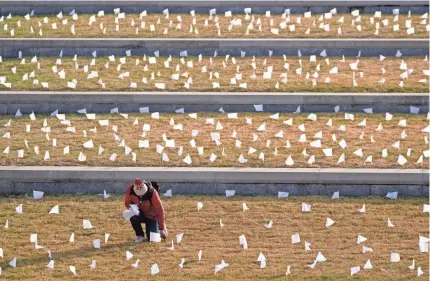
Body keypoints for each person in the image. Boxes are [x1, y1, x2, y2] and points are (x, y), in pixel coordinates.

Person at [124, 178, 167, 244]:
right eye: (139, 194)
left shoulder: (152, 192)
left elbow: (159, 210)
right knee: (133, 217)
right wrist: (133, 209)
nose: (141, 195)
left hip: (152, 216)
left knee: (153, 239)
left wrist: (162, 228)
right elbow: (127, 203)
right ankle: (140, 235)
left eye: (142, 193)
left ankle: (160, 227)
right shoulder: (130, 190)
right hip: (139, 213)